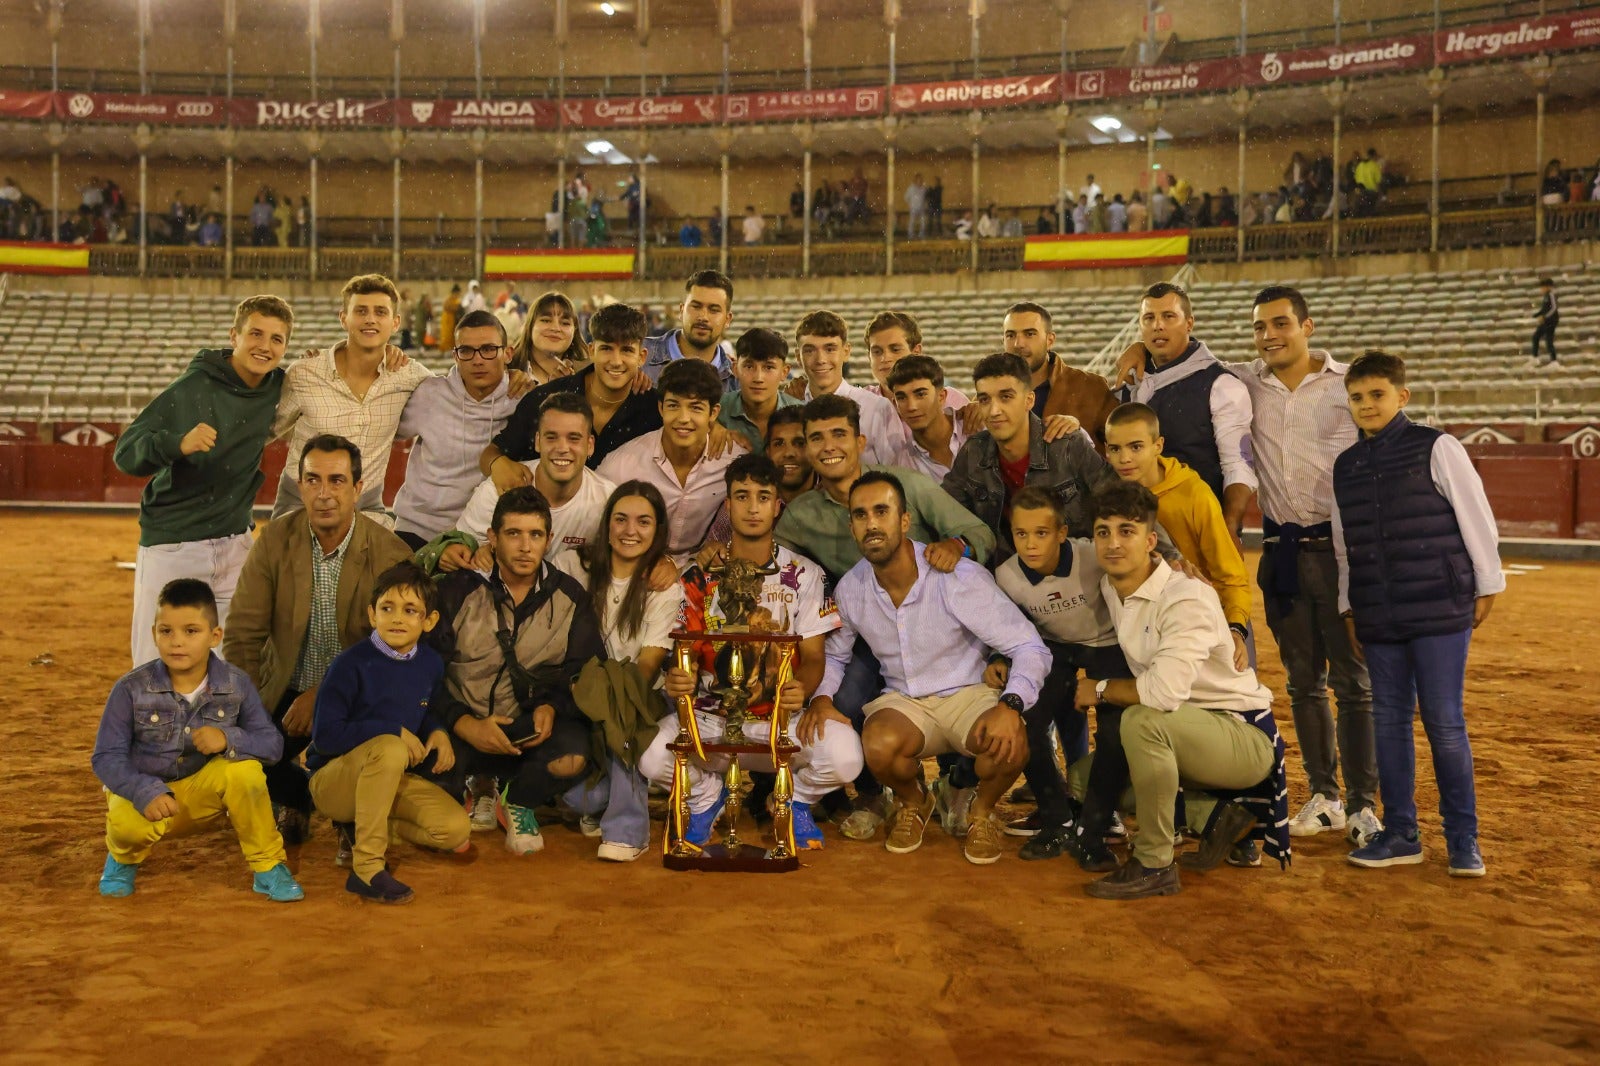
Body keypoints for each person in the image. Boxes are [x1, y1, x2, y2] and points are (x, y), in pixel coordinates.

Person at [806, 473, 1046, 864]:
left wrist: (1011, 704)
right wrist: (821, 698)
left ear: (904, 520)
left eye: (881, 511)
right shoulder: (851, 589)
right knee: (878, 744)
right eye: (861, 515)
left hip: (969, 694)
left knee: (1010, 742)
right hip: (906, 702)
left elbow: (1028, 646)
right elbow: (836, 656)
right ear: (851, 526)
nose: (871, 524)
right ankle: (915, 802)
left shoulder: (957, 577)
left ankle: (981, 813)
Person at [1333, 351, 1503, 878]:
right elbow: (1346, 545)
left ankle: (1462, 840)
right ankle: (1402, 833)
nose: (1367, 405)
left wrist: (1487, 581)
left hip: (1438, 606)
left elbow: (1476, 514)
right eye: (1357, 398)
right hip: (1378, 610)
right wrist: (1348, 603)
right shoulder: (1346, 465)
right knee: (1389, 721)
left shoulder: (1438, 445)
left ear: (1401, 396)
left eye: (1377, 395)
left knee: (1445, 722)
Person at [1079, 481, 1288, 900]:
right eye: (1104, 532)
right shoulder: (1110, 586)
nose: (1113, 544)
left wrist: (1098, 689)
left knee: (1141, 720)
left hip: (1242, 737)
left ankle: (1155, 863)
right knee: (1084, 780)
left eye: (1127, 531)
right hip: (1188, 729)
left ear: (1151, 541)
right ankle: (1215, 815)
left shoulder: (1185, 596)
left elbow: (1162, 695)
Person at [642, 455, 861, 849]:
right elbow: (683, 652)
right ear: (727, 505)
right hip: (709, 720)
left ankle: (793, 800)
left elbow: (813, 657)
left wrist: (801, 689)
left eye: (764, 497)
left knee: (846, 755)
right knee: (649, 754)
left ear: (778, 506)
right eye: (741, 496)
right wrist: (680, 676)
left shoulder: (805, 574)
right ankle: (707, 797)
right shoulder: (699, 574)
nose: (753, 507)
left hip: (776, 721)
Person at [1228, 286, 1379, 844]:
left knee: (1354, 683)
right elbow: (1187, 362)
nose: (1269, 335)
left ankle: (1364, 805)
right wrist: (1137, 355)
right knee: (1302, 684)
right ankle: (1325, 797)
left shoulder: (1348, 387)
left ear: (1307, 326)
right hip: (1283, 553)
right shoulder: (1244, 382)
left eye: (1280, 324)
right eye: (1261, 326)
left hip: (1342, 554)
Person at [222, 435, 414, 844]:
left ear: (359, 488)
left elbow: (397, 653)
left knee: (380, 747)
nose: (324, 494)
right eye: (313, 480)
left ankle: (348, 812)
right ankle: (302, 798)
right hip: (284, 693)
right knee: (236, 750)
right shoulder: (274, 540)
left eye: (337, 481)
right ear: (300, 483)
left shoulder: (391, 555)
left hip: (359, 698)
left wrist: (324, 693)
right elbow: (242, 635)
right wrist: (248, 711)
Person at [93, 579, 304, 902]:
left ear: (214, 636)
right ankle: (122, 858)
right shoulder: (130, 688)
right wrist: (143, 790)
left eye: (191, 631)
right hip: (146, 796)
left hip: (203, 796)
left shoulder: (236, 684)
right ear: (154, 634)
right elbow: (107, 756)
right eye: (167, 631)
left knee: (245, 772)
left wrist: (227, 738)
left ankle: (268, 867)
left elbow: (272, 745)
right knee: (127, 826)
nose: (177, 642)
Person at [115, 295, 295, 668]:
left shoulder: (277, 385)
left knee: (231, 658)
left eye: (276, 339)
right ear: (234, 335)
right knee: (158, 659)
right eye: (256, 334)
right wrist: (177, 444)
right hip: (174, 543)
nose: (265, 346)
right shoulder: (194, 386)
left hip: (236, 544)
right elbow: (126, 452)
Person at [428, 486, 605, 856]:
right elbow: (424, 672)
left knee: (572, 756)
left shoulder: (570, 596)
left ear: (549, 540)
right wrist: (464, 723)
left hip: (524, 730)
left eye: (535, 535)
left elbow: (584, 671)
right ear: (492, 538)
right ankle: (473, 787)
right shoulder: (457, 590)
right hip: (462, 724)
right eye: (513, 534)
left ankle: (517, 799)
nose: (525, 546)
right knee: (430, 779)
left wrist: (552, 707)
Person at [306, 562, 470, 903]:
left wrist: (437, 730)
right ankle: (366, 869)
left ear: (429, 621)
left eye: (410, 611)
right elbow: (325, 737)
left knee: (454, 830)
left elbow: (421, 706)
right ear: (372, 614)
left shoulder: (429, 663)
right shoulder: (350, 665)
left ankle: (362, 825)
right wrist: (392, 730)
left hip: (385, 778)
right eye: (387, 608)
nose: (397, 618)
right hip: (333, 782)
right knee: (393, 747)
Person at [991, 488, 1131, 862]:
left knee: (1116, 732)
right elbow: (1003, 626)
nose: (1031, 544)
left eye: (1041, 533)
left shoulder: (1092, 556)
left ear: (1062, 533)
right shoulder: (1006, 577)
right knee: (1027, 722)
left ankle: (1097, 828)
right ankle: (1057, 821)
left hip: (1109, 644)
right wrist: (997, 656)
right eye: (1021, 534)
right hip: (1053, 648)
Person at [553, 482, 684, 862]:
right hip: (578, 691)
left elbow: (647, 665)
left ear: (657, 530)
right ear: (607, 524)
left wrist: (611, 699)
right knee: (577, 798)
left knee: (620, 699)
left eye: (644, 522)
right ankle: (609, 801)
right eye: (621, 520)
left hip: (638, 695)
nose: (630, 531)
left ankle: (628, 829)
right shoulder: (571, 565)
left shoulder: (663, 586)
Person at [272, 274, 434, 523]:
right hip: (301, 507)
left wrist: (510, 372)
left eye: (380, 312)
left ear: (396, 322)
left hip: (366, 509)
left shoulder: (410, 376)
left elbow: (459, 392)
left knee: (397, 560)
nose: (370, 319)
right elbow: (264, 430)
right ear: (343, 318)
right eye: (361, 311)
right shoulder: (304, 373)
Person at [1103, 403, 1251, 670]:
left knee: (1238, 702)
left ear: (1158, 445)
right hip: (1148, 626)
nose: (1124, 458)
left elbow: (1231, 576)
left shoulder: (1195, 495)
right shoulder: (1109, 495)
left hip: (1210, 617)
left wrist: (1236, 628)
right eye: (1115, 449)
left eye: (1135, 447)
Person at [1111, 283, 1256, 541]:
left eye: (1168, 316)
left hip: (1196, 530)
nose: (1158, 325)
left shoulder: (1221, 384)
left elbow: (1238, 464)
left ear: (1189, 323)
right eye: (1149, 318)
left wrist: (1229, 525)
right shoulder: (1129, 384)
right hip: (1135, 535)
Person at [944, 353, 1113, 564]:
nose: (994, 411)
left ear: (1029, 400)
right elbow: (945, 508)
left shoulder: (1068, 444)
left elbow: (1120, 502)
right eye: (985, 399)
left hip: (1077, 571)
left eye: (1006, 397)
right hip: (1006, 577)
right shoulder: (973, 452)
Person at [484, 301, 662, 481]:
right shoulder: (546, 399)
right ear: (592, 351)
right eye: (606, 348)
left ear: (641, 357)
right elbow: (492, 453)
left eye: (627, 350)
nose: (616, 361)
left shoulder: (654, 410)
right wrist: (497, 463)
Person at [390, 309, 520, 550]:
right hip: (416, 530)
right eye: (466, 351)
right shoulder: (429, 395)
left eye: (489, 349)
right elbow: (380, 429)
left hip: (482, 538)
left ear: (508, 354)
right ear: (455, 356)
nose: (478, 360)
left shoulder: (521, 399)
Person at [597, 359, 747, 565]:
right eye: (673, 405)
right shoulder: (622, 464)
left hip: (704, 568)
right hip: (636, 564)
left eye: (695, 408)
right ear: (660, 408)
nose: (683, 418)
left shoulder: (735, 463)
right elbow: (598, 529)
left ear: (713, 413)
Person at [456, 392, 615, 564]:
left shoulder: (608, 501)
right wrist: (475, 554)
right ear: (538, 442)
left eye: (574, 438)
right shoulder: (498, 490)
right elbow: (458, 549)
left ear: (590, 445)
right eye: (551, 437)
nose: (562, 448)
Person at [788, 310, 908, 467]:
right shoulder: (789, 406)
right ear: (798, 357)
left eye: (830, 349)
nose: (820, 360)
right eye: (810, 350)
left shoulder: (876, 408)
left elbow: (899, 473)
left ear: (846, 352)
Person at [1000, 302, 1118, 439]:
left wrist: (1079, 433)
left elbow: (1123, 441)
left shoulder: (1090, 387)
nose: (1018, 344)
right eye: (1010, 335)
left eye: (1029, 334)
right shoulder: (989, 395)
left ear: (1050, 340)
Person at [643, 270, 737, 390]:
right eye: (696, 306)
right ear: (681, 311)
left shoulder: (736, 379)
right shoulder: (639, 355)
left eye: (714, 310)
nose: (703, 317)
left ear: (727, 319)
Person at [718, 327, 802, 456]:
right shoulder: (715, 412)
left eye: (768, 367)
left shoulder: (803, 415)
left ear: (784, 372)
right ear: (735, 369)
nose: (758, 378)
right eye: (749, 366)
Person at [887, 355, 967, 481]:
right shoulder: (902, 466)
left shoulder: (976, 426)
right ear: (895, 405)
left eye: (920, 394)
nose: (911, 406)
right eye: (901, 398)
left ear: (941, 397)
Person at [510, 290, 588, 385]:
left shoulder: (587, 377)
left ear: (574, 332)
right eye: (546, 321)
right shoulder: (505, 373)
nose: (556, 328)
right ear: (530, 327)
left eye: (565, 323)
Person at [1531, 276, 1560, 367]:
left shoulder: (1551, 295)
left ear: (1548, 287)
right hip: (1546, 321)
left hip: (1551, 321)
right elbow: (1544, 309)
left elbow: (1554, 308)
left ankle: (1554, 361)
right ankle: (1535, 358)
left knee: (1549, 340)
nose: (1541, 289)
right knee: (1536, 336)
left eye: (1542, 287)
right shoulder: (1546, 297)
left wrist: (1544, 317)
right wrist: (1535, 315)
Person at [439, 284, 463, 351]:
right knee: (446, 335)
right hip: (447, 320)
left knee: (452, 335)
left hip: (453, 320)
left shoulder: (456, 300)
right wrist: (457, 307)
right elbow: (447, 307)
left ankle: (450, 349)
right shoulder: (449, 300)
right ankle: (445, 349)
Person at [905, 174, 929, 240]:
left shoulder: (924, 188)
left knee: (923, 221)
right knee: (912, 221)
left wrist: (925, 204)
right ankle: (910, 234)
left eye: (921, 179)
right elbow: (906, 197)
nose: (919, 181)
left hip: (921, 208)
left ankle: (922, 234)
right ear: (915, 180)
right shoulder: (911, 188)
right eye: (918, 179)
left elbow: (926, 197)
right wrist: (911, 204)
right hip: (913, 208)